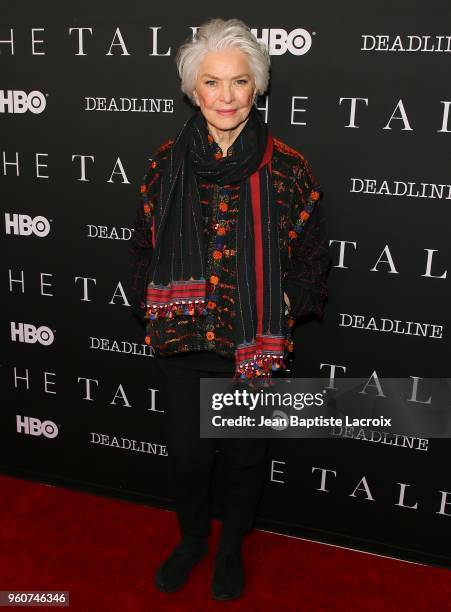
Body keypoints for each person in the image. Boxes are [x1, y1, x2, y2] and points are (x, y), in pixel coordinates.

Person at [127, 17, 331, 601]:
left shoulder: (290, 168)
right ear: (193, 90)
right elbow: (142, 245)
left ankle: (232, 545)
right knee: (187, 465)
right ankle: (193, 539)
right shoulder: (165, 163)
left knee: (244, 461)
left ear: (257, 88)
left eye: (238, 82)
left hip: (250, 350)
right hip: (184, 344)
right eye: (211, 82)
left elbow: (314, 258)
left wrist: (279, 304)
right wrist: (153, 300)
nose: (225, 96)